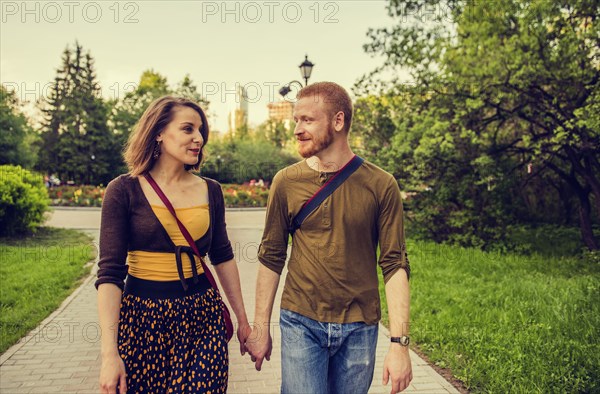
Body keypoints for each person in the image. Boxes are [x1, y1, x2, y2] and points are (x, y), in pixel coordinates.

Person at [245, 82, 412, 393]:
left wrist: (399, 345)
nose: (296, 129)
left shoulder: (381, 184)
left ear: (338, 121)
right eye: (295, 120)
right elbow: (271, 257)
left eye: (307, 120)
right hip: (301, 320)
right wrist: (259, 328)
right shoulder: (286, 182)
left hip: (360, 327)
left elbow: (394, 264)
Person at [96, 96, 250, 394]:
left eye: (201, 130)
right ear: (158, 132)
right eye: (188, 129)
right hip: (142, 322)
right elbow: (110, 275)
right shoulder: (123, 190)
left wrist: (243, 322)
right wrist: (109, 355)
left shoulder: (211, 190)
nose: (199, 138)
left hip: (202, 319)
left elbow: (222, 255)